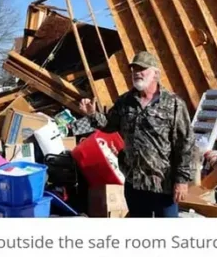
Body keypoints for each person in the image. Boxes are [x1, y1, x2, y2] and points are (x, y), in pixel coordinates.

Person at [79, 51, 195, 218]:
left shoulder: (174, 104)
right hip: (135, 183)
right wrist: (91, 114)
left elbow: (185, 144)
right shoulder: (125, 101)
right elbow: (109, 125)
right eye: (134, 69)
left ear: (155, 73)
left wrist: (182, 180)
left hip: (164, 184)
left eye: (142, 69)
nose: (136, 73)